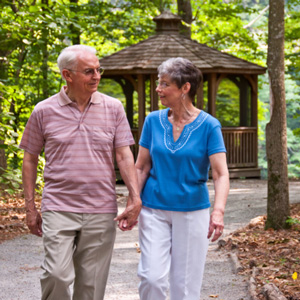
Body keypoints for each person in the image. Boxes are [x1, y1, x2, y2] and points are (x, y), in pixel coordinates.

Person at [20, 44, 141, 300]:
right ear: (67, 75)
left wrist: (135, 197)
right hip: (59, 206)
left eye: (99, 70)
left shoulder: (113, 108)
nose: (97, 76)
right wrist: (30, 207)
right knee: (56, 275)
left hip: (101, 208)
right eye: (89, 71)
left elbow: (124, 154)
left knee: (91, 286)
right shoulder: (44, 110)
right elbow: (30, 159)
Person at [135, 57, 230, 300]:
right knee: (151, 278)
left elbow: (220, 174)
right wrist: (133, 202)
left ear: (185, 88)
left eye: (165, 84)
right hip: (153, 209)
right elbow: (141, 167)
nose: (158, 89)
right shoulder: (152, 121)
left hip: (191, 211)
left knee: (185, 287)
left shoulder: (210, 126)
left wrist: (218, 212)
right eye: (159, 83)